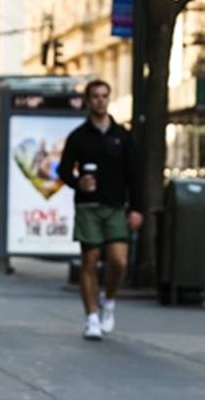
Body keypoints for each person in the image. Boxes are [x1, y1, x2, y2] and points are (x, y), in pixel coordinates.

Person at [58, 79, 144, 340]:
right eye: (95, 96)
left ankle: (109, 300)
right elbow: (62, 170)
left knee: (119, 261)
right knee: (90, 261)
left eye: (104, 96)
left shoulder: (122, 136)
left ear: (109, 99)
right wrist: (77, 182)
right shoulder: (78, 137)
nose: (100, 100)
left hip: (116, 206)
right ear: (88, 100)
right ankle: (91, 317)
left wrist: (136, 209)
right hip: (88, 207)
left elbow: (135, 175)